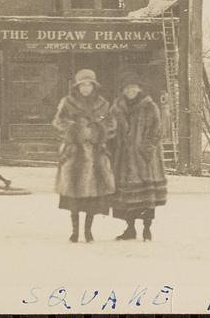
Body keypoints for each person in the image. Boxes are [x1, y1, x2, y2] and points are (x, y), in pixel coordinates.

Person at [52, 69, 116, 243]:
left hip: (95, 153)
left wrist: (98, 131)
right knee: (73, 194)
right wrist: (75, 129)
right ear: (77, 87)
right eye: (82, 85)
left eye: (89, 85)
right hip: (74, 152)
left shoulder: (103, 104)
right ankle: (74, 231)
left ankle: (88, 231)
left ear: (94, 86)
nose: (86, 88)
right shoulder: (68, 102)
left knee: (92, 196)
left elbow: (111, 124)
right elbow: (58, 121)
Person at [109, 71, 167, 241]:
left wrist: (146, 150)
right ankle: (130, 229)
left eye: (133, 87)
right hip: (124, 160)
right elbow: (111, 130)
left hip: (144, 161)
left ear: (139, 88)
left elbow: (157, 131)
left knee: (145, 197)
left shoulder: (150, 107)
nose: (130, 90)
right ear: (123, 90)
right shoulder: (117, 108)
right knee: (127, 198)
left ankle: (146, 229)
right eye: (127, 88)